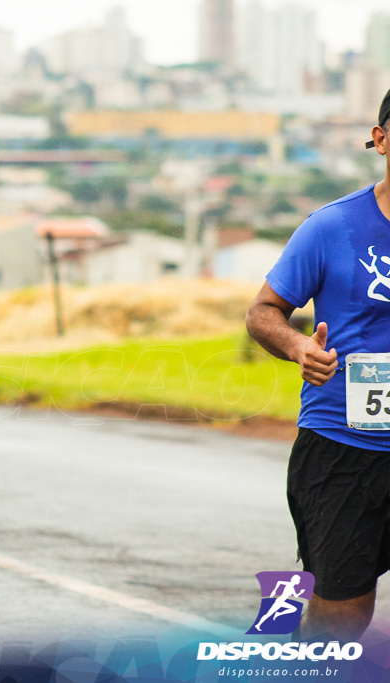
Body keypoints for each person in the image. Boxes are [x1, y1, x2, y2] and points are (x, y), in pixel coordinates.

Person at [246, 87, 390, 642]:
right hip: (343, 447)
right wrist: (297, 346)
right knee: (341, 618)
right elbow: (264, 312)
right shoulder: (332, 227)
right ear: (380, 140)